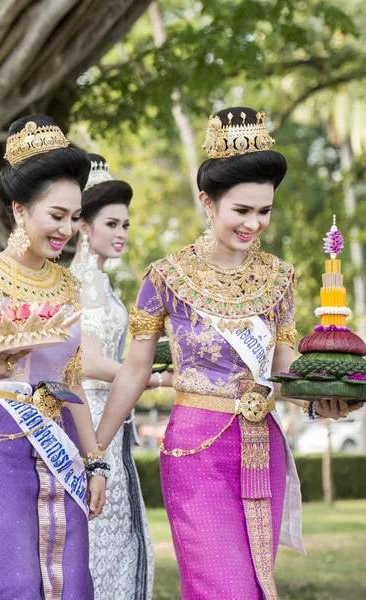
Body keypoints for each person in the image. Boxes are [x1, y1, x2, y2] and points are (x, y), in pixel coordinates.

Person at [93, 107, 360, 599]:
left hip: (262, 449)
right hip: (194, 450)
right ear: (207, 203)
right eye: (242, 210)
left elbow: (284, 372)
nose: (254, 224)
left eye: (265, 211)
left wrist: (325, 403)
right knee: (222, 588)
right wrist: (96, 453)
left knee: (256, 587)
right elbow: (133, 371)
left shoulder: (280, 278)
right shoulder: (166, 277)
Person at [0, 116, 106, 600]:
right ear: (20, 210)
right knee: (12, 585)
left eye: (75, 217)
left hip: (59, 446)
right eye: (57, 215)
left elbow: (71, 380)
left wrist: (93, 462)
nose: (69, 229)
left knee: (71, 583)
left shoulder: (68, 285)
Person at [70, 154, 170, 600]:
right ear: (82, 225)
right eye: (111, 224)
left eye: (125, 225)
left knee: (116, 534)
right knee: (100, 535)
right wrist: (147, 377)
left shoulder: (102, 284)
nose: (122, 234)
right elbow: (87, 362)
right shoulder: (83, 283)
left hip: (112, 415)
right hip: (89, 416)